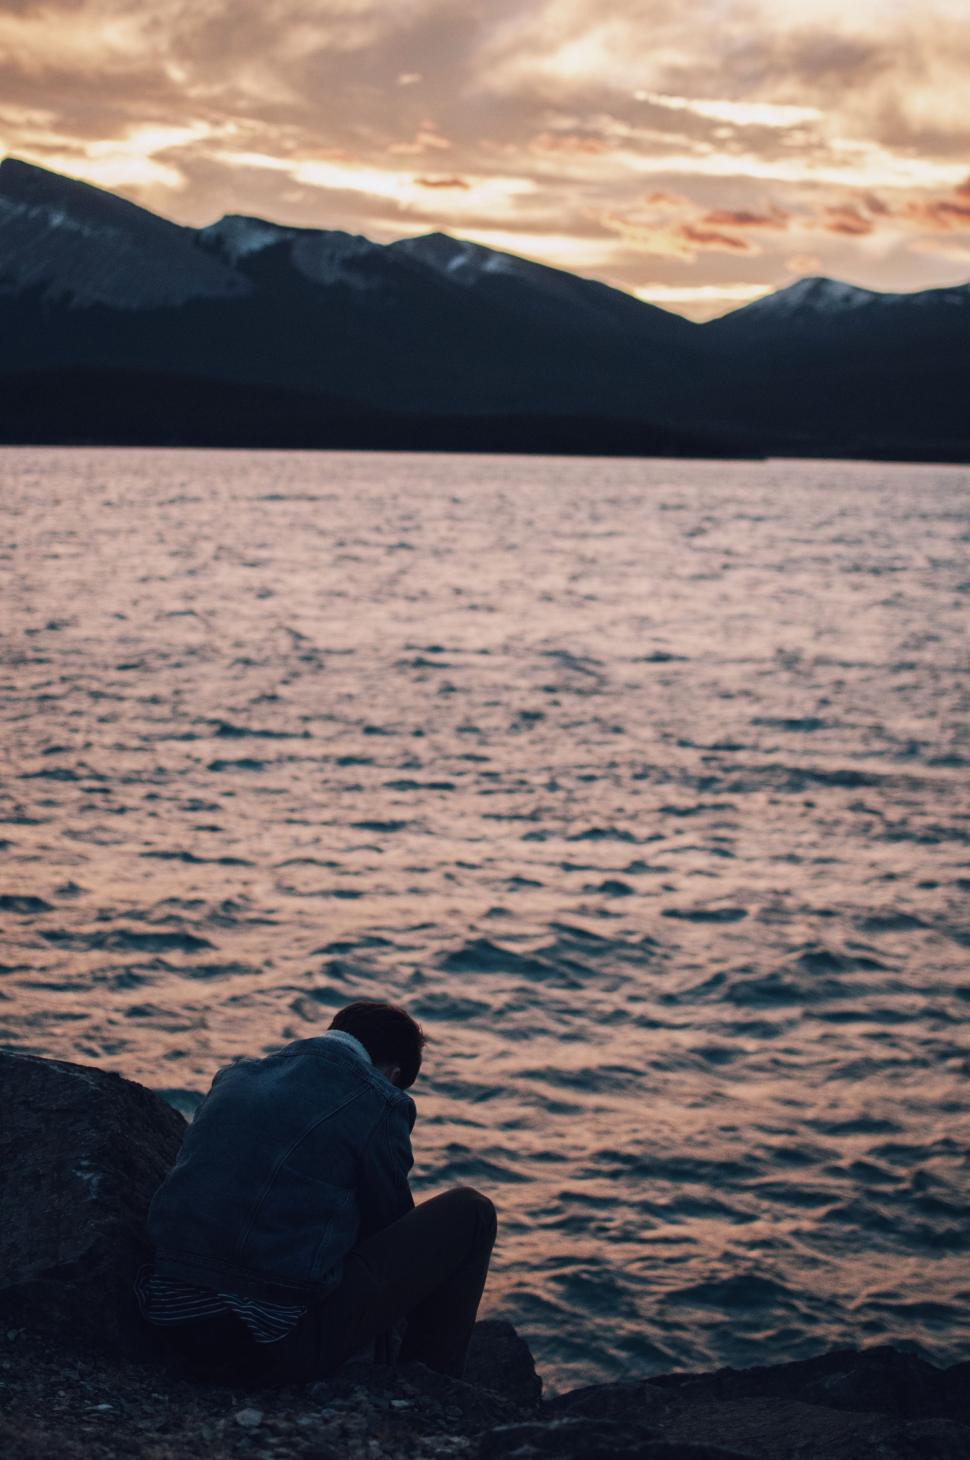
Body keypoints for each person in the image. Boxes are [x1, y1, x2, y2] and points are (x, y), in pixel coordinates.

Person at [135, 1001, 497, 1385]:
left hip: (166, 1318)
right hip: (265, 1345)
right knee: (471, 1211)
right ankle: (429, 1387)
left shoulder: (236, 1077)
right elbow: (389, 1224)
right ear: (392, 1072)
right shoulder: (379, 1100)